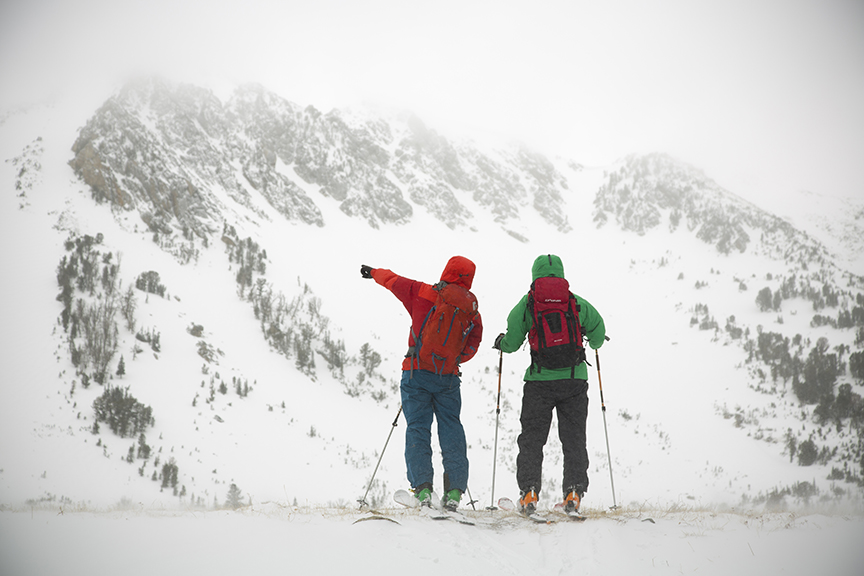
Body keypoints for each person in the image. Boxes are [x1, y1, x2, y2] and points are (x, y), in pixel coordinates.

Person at [360, 256, 483, 511]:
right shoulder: (471, 309)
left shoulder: (423, 292)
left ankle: (423, 490)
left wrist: (373, 272)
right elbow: (473, 343)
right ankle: (454, 492)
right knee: (451, 429)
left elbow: (393, 280)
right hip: (448, 378)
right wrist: (453, 360)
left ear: (447, 271)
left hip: (416, 373)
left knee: (418, 428)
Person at [493, 254, 605, 515]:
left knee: (532, 440)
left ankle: (529, 493)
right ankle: (574, 493)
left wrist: (501, 344)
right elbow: (598, 332)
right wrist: (593, 341)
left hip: (539, 383)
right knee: (574, 439)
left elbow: (512, 342)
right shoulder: (576, 303)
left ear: (535, 275)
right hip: (574, 382)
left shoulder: (528, 304)